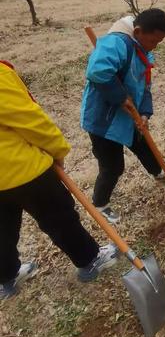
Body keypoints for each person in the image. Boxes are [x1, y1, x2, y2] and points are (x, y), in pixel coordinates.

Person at [0, 61, 119, 300]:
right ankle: (90, 260)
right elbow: (28, 119)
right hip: (21, 168)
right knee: (59, 218)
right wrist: (57, 149)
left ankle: (6, 278)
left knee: (2, 229)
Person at [81, 9, 165, 224]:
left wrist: (145, 112)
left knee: (144, 144)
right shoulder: (117, 42)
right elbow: (97, 71)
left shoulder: (143, 51)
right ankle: (100, 204)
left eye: (159, 42)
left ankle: (159, 173)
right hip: (104, 120)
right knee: (113, 166)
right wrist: (121, 97)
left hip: (128, 115)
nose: (155, 46)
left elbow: (145, 84)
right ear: (137, 31)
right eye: (153, 41)